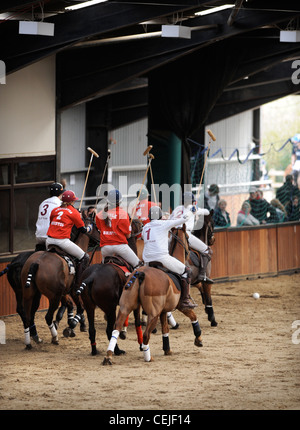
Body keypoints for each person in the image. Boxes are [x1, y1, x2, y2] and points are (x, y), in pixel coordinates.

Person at [142, 205, 196, 310]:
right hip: (161, 258)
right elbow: (183, 219)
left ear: (149, 216)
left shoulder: (145, 227)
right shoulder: (164, 224)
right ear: (160, 216)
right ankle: (185, 300)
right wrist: (191, 211)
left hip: (147, 261)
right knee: (186, 271)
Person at [46, 190, 91, 285]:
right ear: (71, 201)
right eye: (74, 200)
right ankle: (78, 283)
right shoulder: (74, 212)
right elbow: (82, 230)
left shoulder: (55, 210)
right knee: (85, 257)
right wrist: (89, 228)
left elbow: (52, 222)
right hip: (62, 241)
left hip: (49, 241)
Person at [170, 191, 213, 283]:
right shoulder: (192, 208)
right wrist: (196, 206)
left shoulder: (177, 209)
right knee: (207, 250)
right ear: (192, 201)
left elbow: (170, 219)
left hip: (172, 234)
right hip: (185, 234)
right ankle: (202, 274)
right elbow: (207, 212)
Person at [96, 189, 141, 269]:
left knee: (102, 268)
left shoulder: (99, 214)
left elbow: (100, 229)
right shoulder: (123, 214)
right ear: (119, 202)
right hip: (120, 247)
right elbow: (128, 236)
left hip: (105, 248)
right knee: (139, 265)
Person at [35, 182, 64, 251]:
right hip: (49, 237)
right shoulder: (60, 204)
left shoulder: (43, 202)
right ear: (61, 193)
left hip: (38, 236)